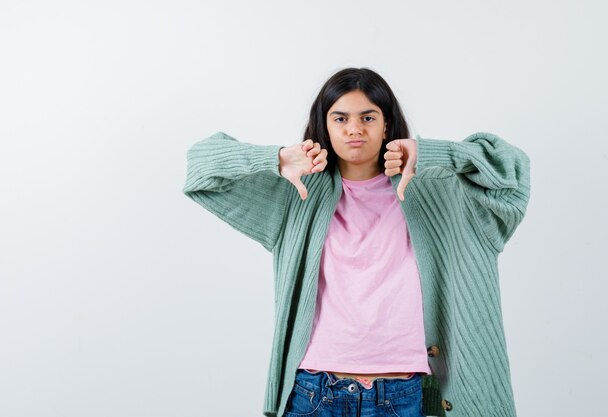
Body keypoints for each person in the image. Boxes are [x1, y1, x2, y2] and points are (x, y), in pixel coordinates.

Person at [182, 67, 531, 417]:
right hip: (314, 394)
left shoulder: (439, 192)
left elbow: (511, 175)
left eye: (368, 116)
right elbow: (201, 170)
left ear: (387, 125)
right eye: (340, 118)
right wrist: (275, 159)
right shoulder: (297, 196)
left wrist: (429, 154)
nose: (354, 129)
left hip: (401, 395)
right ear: (325, 126)